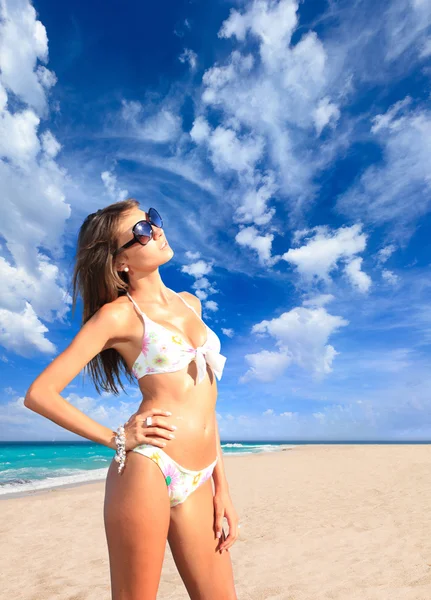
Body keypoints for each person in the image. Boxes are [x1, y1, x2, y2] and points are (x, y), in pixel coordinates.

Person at [24, 198, 239, 600]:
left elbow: (207, 405)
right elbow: (39, 394)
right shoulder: (118, 317)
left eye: (153, 219)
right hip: (150, 467)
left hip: (202, 473)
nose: (155, 230)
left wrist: (222, 489)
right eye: (140, 231)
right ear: (120, 262)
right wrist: (116, 437)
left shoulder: (190, 302)